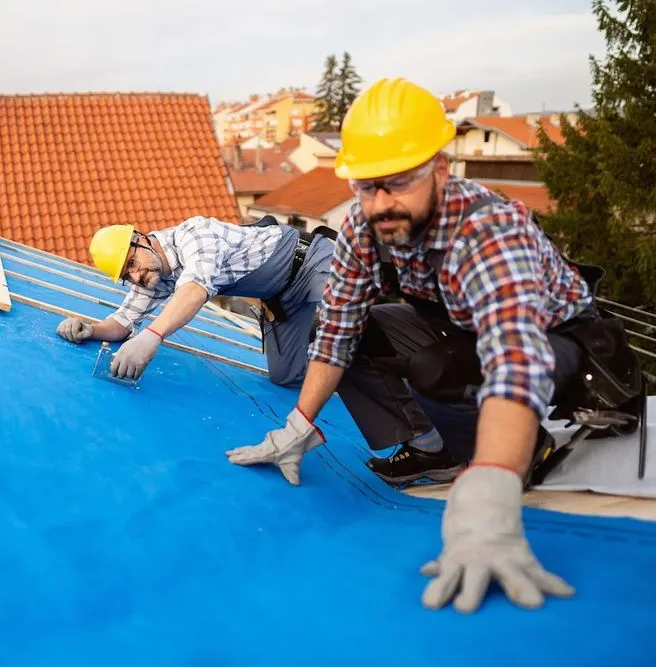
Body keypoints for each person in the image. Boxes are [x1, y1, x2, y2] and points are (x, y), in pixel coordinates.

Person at [224, 76, 640, 614]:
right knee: (328, 330)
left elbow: (516, 356)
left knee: (436, 369)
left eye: (398, 182)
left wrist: (493, 490)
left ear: (440, 170)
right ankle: (432, 449)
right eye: (367, 185)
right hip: (457, 323)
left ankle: (511, 450)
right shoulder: (364, 224)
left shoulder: (489, 231)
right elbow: (336, 329)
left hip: (556, 342)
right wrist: (298, 425)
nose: (381, 202)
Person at [56, 215, 335, 387]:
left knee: (352, 321)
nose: (136, 275)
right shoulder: (151, 275)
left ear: (141, 239)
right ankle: (324, 353)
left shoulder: (196, 234)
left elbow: (194, 290)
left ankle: (343, 350)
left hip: (310, 260)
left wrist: (152, 336)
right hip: (280, 296)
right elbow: (123, 322)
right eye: (126, 275)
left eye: (132, 263)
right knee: (285, 378)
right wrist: (91, 330)